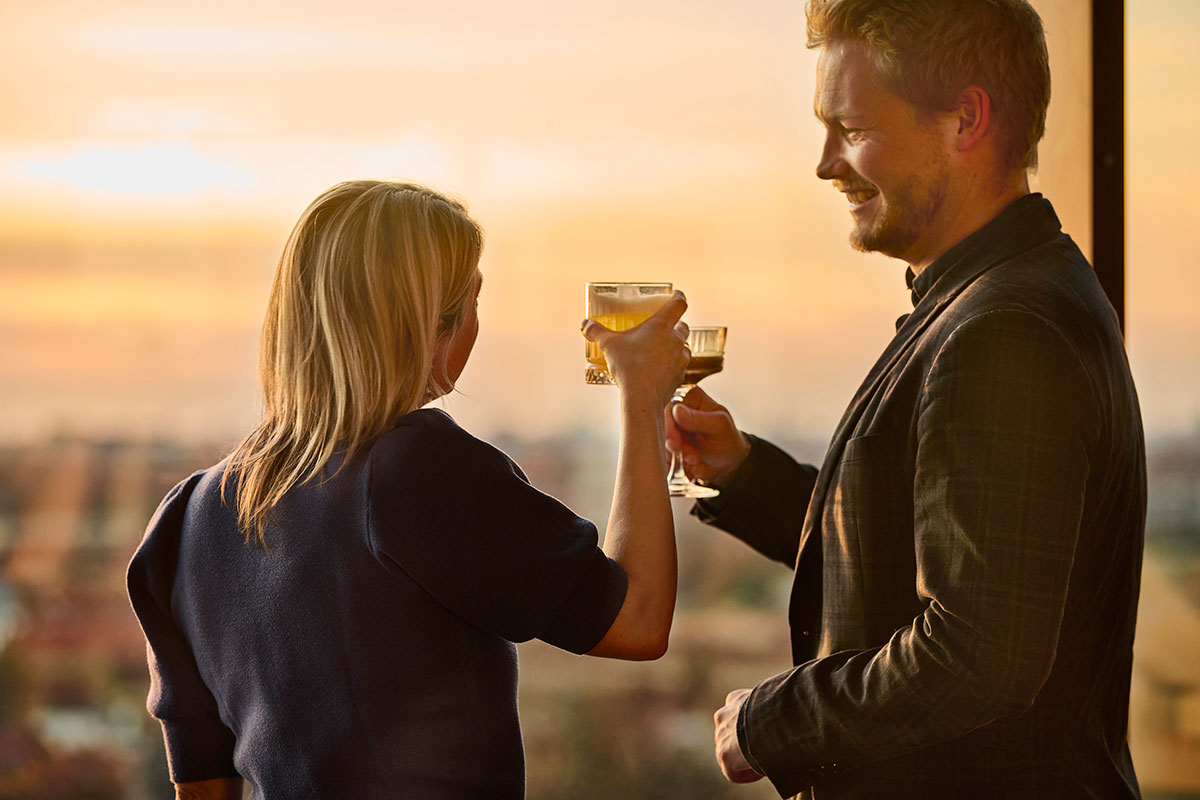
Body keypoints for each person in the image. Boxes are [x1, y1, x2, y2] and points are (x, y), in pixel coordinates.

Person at [669, 1, 1147, 797]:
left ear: (966, 119)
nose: (826, 163)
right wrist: (742, 474)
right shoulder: (991, 298)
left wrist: (771, 721)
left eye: (851, 128)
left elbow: (978, 655)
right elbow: (921, 556)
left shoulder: (1005, 329)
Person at [127, 180, 690, 799]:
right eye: (473, 300)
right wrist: (642, 394)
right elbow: (635, 622)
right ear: (432, 324)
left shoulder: (183, 522)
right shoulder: (415, 469)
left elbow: (203, 789)